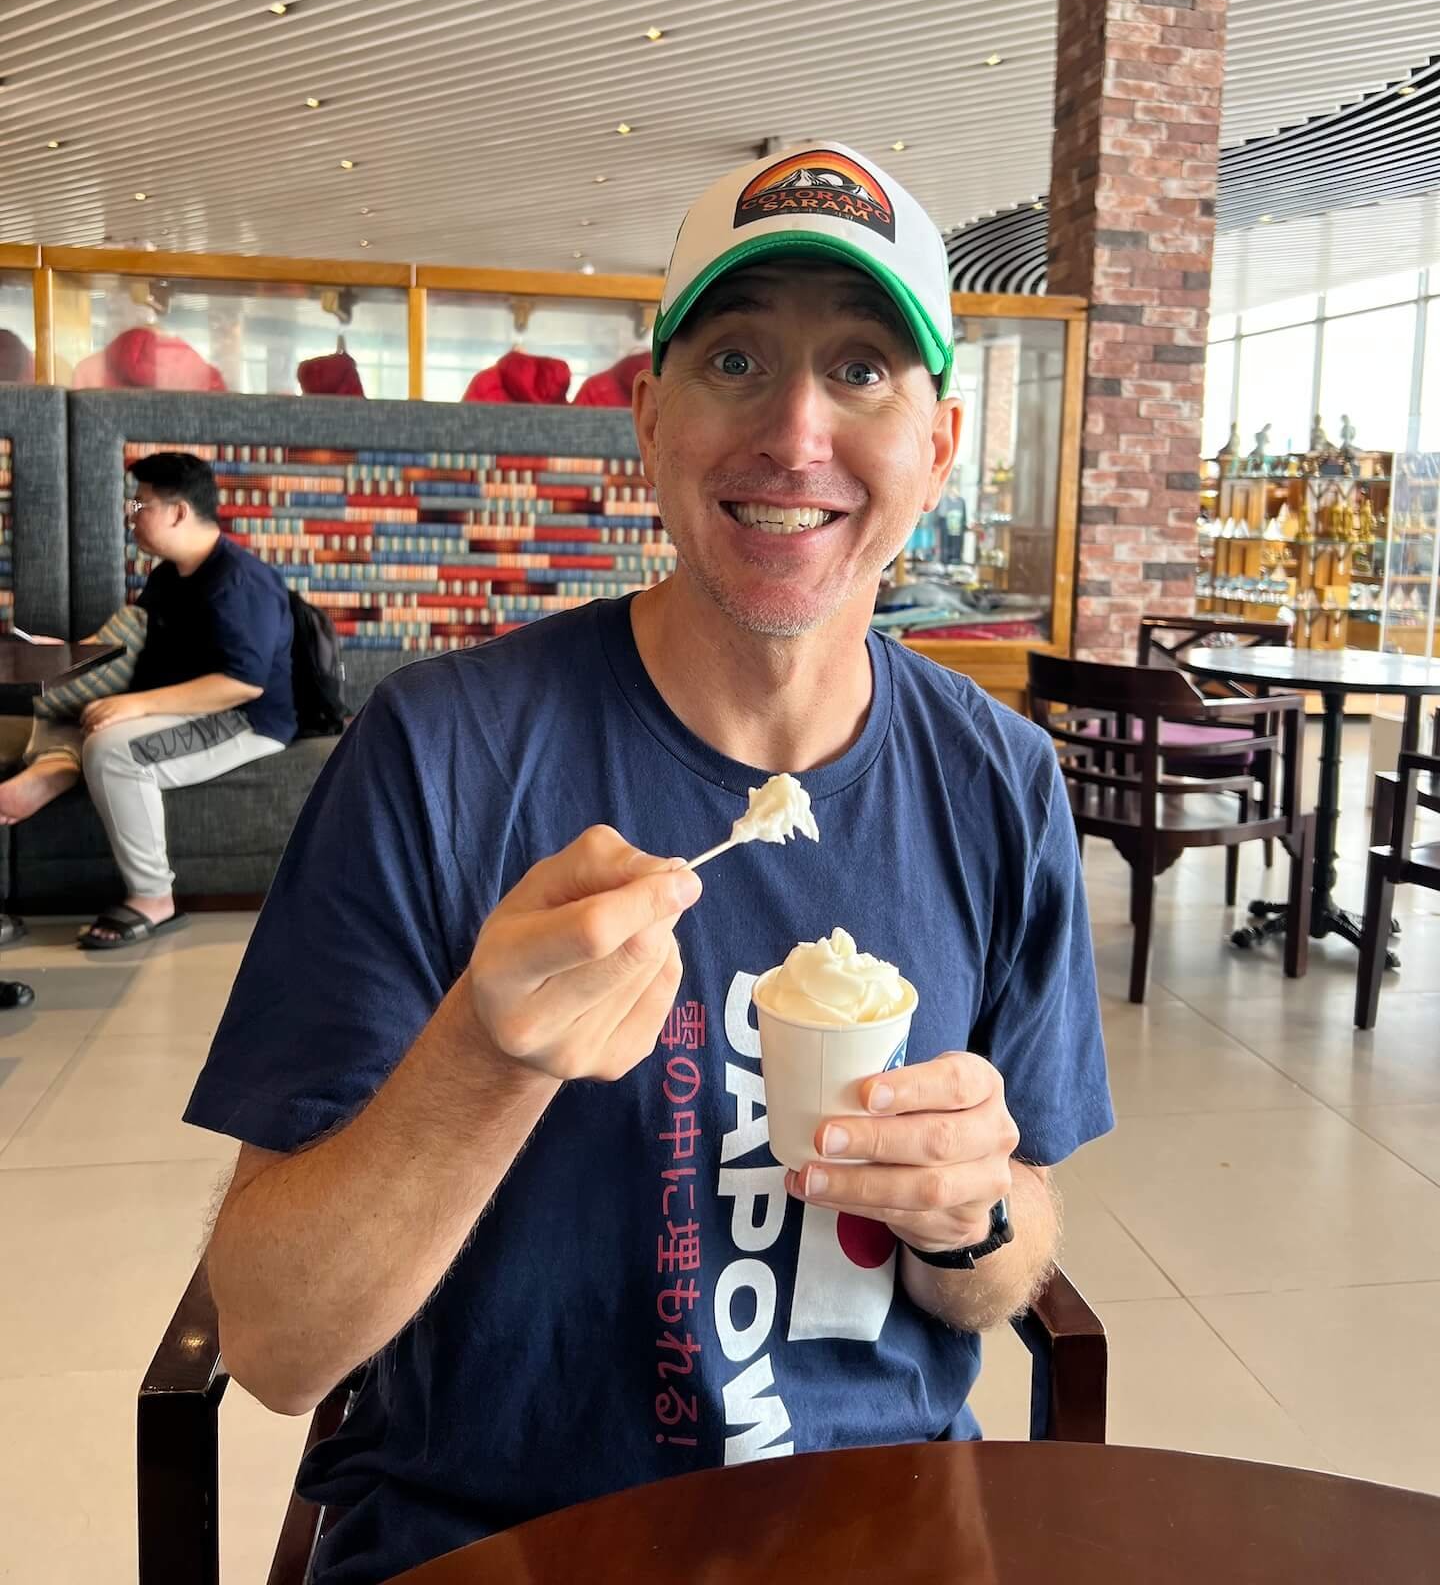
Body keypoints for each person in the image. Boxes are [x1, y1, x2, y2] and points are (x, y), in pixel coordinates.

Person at [190, 143, 1112, 1585]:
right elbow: (276, 1344)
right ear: (648, 420)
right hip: (496, 1541)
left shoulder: (999, 783)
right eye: (736, 357)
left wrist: (975, 1208)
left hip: (876, 1536)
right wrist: (481, 1067)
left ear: (937, 447)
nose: (797, 431)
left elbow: (1010, 1259)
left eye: (863, 368)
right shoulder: (442, 754)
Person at [0, 452, 296, 946]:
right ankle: (54, 766)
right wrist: (68, 656)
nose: (130, 514)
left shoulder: (239, 581)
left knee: (113, 748)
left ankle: (154, 898)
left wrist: (137, 706)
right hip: (184, 704)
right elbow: (134, 650)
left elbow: (243, 683)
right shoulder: (166, 579)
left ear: (179, 512)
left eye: (140, 503)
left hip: (246, 718)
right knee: (54, 715)